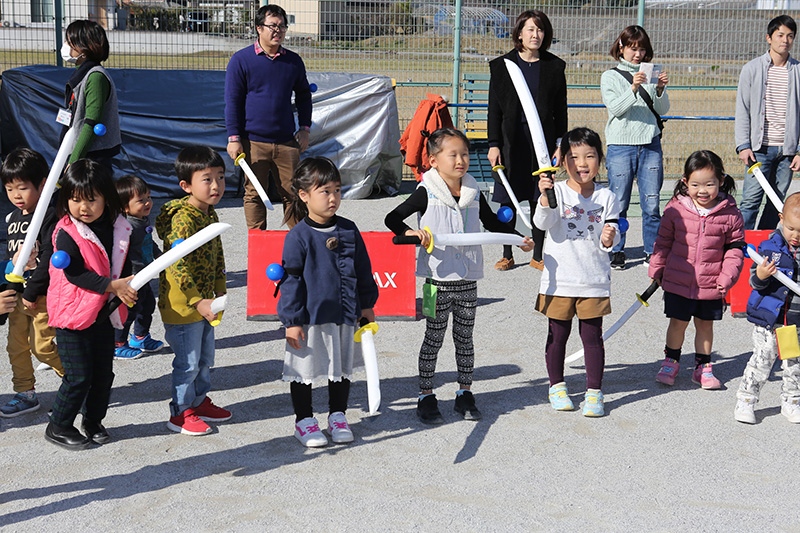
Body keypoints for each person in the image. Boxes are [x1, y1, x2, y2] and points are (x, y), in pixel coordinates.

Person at [385, 128, 533, 425]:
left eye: (464, 154)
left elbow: (491, 223)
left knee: (465, 339)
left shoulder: (473, 191)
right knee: (433, 337)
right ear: (433, 160)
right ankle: (426, 395)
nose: (460, 160)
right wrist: (410, 232)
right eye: (452, 154)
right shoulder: (426, 191)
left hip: (468, 278)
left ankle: (465, 392)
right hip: (435, 280)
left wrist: (519, 239)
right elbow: (392, 219)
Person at [278, 157, 378, 447]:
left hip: (344, 314)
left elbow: (363, 270)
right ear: (304, 195)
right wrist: (292, 321)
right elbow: (291, 280)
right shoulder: (298, 237)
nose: (333, 197)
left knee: (341, 366)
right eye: (325, 191)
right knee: (303, 370)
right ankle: (304, 420)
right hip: (309, 318)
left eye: (337, 190)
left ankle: (338, 415)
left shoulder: (349, 229)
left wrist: (366, 305)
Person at [45, 159, 136, 450]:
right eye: (74, 200)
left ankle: (93, 421)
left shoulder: (118, 227)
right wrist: (112, 286)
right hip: (72, 315)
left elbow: (125, 263)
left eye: (91, 200)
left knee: (102, 374)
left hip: (102, 314)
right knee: (78, 376)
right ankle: (58, 425)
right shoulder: (66, 232)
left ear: (106, 198)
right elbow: (74, 274)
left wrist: (129, 288)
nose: (82, 207)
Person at [534, 127, 620, 418]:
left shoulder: (607, 196)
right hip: (560, 280)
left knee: (592, 336)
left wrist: (610, 238)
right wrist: (545, 198)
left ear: (600, 160)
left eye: (590, 156)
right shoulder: (555, 191)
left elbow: (612, 234)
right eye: (574, 157)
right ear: (562, 160)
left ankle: (594, 391)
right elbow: (542, 223)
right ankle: (556, 386)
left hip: (593, 279)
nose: (582, 163)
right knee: (557, 335)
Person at [649, 150, 745, 389]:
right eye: (695, 184)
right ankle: (671, 361)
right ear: (685, 182)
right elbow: (663, 241)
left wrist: (728, 276)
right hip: (678, 280)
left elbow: (735, 250)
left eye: (709, 184)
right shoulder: (675, 209)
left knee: (705, 325)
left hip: (711, 283)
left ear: (721, 181)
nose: (703, 191)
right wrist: (657, 267)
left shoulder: (730, 214)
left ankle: (703, 366)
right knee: (677, 323)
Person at [156, 146, 230, 436]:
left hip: (205, 303)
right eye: (207, 179)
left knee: (204, 359)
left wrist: (219, 291)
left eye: (221, 177)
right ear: (186, 185)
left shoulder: (209, 213)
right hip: (183, 306)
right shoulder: (183, 219)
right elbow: (176, 266)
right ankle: (180, 411)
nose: (216, 186)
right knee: (187, 362)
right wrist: (198, 300)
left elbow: (217, 256)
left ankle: (198, 401)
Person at [487, 9, 567, 272]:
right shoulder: (503, 66)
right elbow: (494, 110)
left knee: (539, 196)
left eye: (541, 29)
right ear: (519, 33)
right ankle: (507, 252)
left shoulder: (554, 67)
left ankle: (538, 254)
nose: (536, 34)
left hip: (541, 144)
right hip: (512, 142)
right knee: (507, 200)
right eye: (531, 29)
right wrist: (494, 143)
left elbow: (560, 111)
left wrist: (559, 145)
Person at [225, 4, 312, 230]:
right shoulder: (241, 60)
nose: (278, 31)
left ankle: (298, 244)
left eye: (282, 26)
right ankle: (258, 243)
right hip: (252, 142)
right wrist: (234, 138)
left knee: (294, 194)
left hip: (286, 142)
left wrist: (304, 128)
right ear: (258, 28)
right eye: (272, 26)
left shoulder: (293, 62)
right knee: (254, 194)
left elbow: (303, 95)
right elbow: (232, 101)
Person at [0, 148, 64, 418]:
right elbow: (9, 259)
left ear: (42, 184)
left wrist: (34, 289)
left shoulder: (50, 215)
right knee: (16, 347)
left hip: (40, 296)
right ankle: (25, 392)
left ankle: (78, 380)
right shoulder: (13, 219)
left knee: (43, 346)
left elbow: (50, 257)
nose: (16, 195)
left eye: (23, 188)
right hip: (16, 297)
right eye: (9, 188)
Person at [600, 25, 669, 270]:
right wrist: (633, 88)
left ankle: (652, 251)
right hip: (621, 145)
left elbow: (662, 110)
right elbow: (617, 109)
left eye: (641, 49)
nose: (637, 54)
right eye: (632, 48)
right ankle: (616, 249)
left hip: (650, 143)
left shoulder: (649, 72)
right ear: (621, 47)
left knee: (651, 203)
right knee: (619, 202)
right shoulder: (610, 76)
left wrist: (659, 89)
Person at [735, 192, 800, 424]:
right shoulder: (769, 248)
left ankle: (792, 402)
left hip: (794, 322)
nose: (796, 236)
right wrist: (762, 274)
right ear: (781, 219)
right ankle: (746, 399)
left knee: (793, 365)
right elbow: (755, 282)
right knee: (762, 362)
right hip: (770, 320)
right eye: (792, 228)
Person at [735, 15, 800, 230]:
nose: (785, 40)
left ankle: (765, 246)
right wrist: (743, 145)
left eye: (790, 36)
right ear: (768, 38)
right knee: (750, 201)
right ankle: (739, 249)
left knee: (777, 203)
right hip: (759, 149)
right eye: (780, 35)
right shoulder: (752, 69)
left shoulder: (798, 71)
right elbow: (743, 109)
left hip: (787, 151)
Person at [113, 174, 164, 360]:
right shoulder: (125, 227)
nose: (148, 203)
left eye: (149, 197)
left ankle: (140, 337)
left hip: (145, 275)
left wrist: (159, 256)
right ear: (125, 207)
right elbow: (118, 252)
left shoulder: (142, 220)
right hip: (132, 278)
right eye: (141, 200)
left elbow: (148, 243)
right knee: (129, 311)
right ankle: (118, 344)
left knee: (148, 305)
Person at [61, 20, 121, 169]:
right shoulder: (82, 74)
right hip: (80, 154)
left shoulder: (95, 77)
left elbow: (90, 122)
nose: (66, 46)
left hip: (92, 158)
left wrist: (74, 160)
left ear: (84, 48)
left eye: (70, 42)